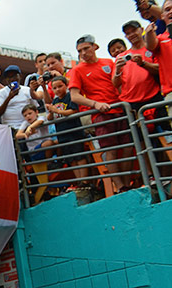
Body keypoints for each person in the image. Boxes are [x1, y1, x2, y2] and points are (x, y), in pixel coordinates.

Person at [69, 34, 132, 192]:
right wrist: (95, 104)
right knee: (110, 150)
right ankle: (120, 186)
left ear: (95, 47)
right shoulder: (77, 70)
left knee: (128, 147)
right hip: (101, 115)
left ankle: (127, 184)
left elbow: (118, 84)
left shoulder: (108, 62)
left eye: (86, 48)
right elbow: (74, 96)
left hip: (120, 109)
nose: (83, 53)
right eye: (80, 51)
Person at [45, 75, 90, 182]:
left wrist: (58, 111)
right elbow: (50, 118)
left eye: (60, 86)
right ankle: (80, 181)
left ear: (66, 85)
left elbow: (73, 111)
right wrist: (51, 111)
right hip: (62, 134)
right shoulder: (55, 101)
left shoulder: (71, 96)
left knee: (79, 156)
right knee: (71, 159)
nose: (57, 90)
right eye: (54, 88)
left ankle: (85, 181)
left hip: (74, 132)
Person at [145, 0, 172, 108]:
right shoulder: (160, 39)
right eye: (167, 10)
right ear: (162, 16)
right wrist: (149, 33)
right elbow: (150, 45)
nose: (171, 12)